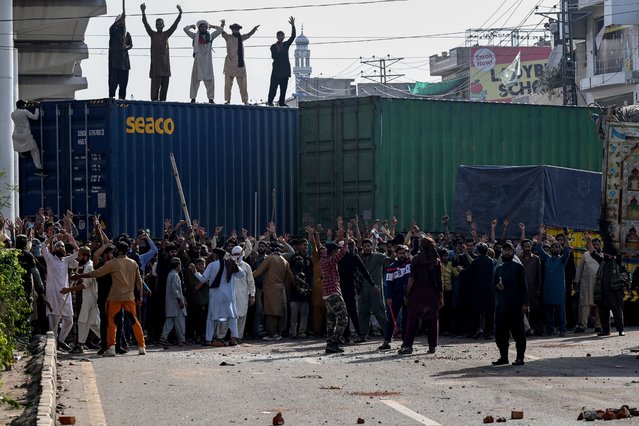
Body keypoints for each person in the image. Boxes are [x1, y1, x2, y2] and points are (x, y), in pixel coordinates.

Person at [72, 241, 146, 356]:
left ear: (120, 251)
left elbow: (97, 273)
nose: (114, 251)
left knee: (112, 323)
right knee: (134, 321)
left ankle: (111, 348)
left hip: (115, 297)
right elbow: (139, 282)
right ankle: (141, 346)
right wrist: (140, 296)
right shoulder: (133, 263)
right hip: (129, 297)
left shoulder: (113, 263)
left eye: (115, 250)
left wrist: (80, 276)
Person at [398, 237, 443, 355]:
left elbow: (411, 279)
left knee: (412, 320)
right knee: (432, 321)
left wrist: (407, 295)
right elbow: (440, 281)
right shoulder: (437, 261)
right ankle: (432, 346)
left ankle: (408, 346)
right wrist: (441, 297)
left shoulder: (416, 259)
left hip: (417, 294)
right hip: (432, 295)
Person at [191, 247, 241, 346]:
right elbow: (241, 275)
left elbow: (203, 279)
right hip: (229, 296)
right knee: (232, 317)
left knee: (211, 318)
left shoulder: (212, 265)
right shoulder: (231, 263)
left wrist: (195, 272)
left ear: (216, 255)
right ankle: (234, 338)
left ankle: (209, 340)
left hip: (216, 295)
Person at [492, 243, 529, 366]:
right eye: (505, 250)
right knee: (500, 333)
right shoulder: (499, 268)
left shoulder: (519, 268)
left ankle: (520, 358)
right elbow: (494, 286)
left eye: (509, 250)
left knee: (518, 332)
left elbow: (524, 287)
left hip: (515, 305)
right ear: (502, 252)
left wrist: (525, 303)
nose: (507, 252)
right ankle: (503, 357)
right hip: (502, 306)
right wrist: (497, 287)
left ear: (513, 252)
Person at [42, 232, 79, 351]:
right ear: (54, 249)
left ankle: (61, 341)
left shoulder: (67, 260)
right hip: (53, 295)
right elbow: (43, 246)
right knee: (53, 323)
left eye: (63, 246)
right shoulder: (50, 259)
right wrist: (52, 237)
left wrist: (72, 242)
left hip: (65, 294)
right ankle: (53, 347)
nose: (61, 248)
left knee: (69, 320)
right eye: (58, 246)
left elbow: (78, 253)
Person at [533, 226, 572, 337]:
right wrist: (541, 234)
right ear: (550, 249)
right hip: (548, 289)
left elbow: (568, 250)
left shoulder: (562, 260)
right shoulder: (547, 258)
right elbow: (539, 248)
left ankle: (562, 330)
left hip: (559, 290)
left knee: (561, 312)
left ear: (559, 249)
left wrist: (566, 236)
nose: (554, 248)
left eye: (556, 247)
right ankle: (550, 330)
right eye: (552, 247)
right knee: (548, 311)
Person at [62, 246, 101, 354]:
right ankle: (109, 340)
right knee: (93, 323)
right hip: (89, 298)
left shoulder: (89, 267)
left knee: (83, 321)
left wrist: (69, 289)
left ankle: (80, 344)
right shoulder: (85, 265)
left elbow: (85, 285)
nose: (78, 258)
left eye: (79, 256)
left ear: (85, 256)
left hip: (88, 298)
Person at [140, 3, 183, 101]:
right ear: (155, 26)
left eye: (160, 24)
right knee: (155, 92)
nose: (159, 25)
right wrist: (143, 12)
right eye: (157, 24)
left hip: (165, 67)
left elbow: (174, 25)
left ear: (164, 25)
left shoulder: (166, 34)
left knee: (164, 92)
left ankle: (162, 106)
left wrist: (180, 14)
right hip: (156, 68)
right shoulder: (152, 34)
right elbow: (145, 24)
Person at [252, 242, 293, 340]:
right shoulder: (285, 261)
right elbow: (290, 277)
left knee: (271, 312)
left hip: (270, 288)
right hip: (281, 288)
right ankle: (279, 333)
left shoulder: (269, 259)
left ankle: (272, 334)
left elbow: (258, 272)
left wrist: (247, 277)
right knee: (279, 311)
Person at [320, 228, 350, 354]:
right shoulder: (330, 260)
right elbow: (341, 253)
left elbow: (331, 248)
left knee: (331, 320)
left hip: (327, 295)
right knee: (343, 318)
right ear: (333, 251)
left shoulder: (323, 259)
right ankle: (334, 342)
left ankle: (329, 343)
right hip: (333, 293)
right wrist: (346, 242)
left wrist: (338, 237)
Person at [378, 245, 410, 351]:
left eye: (404, 253)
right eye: (400, 253)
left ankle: (406, 341)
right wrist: (389, 297)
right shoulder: (391, 267)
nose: (402, 255)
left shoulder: (410, 264)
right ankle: (387, 341)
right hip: (396, 296)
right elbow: (389, 283)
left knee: (406, 319)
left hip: (408, 295)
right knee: (391, 319)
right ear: (396, 254)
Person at [184, 19, 224, 103]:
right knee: (194, 81)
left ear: (206, 28)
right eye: (201, 27)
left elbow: (220, 30)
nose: (203, 28)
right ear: (199, 28)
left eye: (204, 27)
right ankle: (193, 98)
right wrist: (191, 26)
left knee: (210, 81)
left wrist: (212, 26)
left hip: (207, 62)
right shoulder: (195, 36)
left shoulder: (210, 37)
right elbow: (185, 29)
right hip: (198, 62)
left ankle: (211, 99)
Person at [593, 245, 627, 337]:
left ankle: (621, 330)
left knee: (617, 312)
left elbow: (619, 254)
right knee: (603, 313)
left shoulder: (617, 262)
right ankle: (606, 330)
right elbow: (593, 254)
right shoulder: (602, 261)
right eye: (605, 253)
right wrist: (589, 241)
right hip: (602, 293)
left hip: (615, 293)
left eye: (608, 253)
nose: (606, 254)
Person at [222, 22, 260, 105]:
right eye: (235, 29)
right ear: (232, 30)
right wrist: (222, 24)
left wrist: (254, 29)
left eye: (237, 29)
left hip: (240, 64)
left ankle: (245, 101)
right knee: (228, 84)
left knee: (243, 84)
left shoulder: (241, 38)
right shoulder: (228, 37)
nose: (236, 30)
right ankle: (227, 100)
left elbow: (249, 34)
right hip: (230, 64)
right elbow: (221, 31)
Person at [574, 235, 602, 333]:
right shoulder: (585, 254)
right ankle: (582, 326)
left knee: (599, 305)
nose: (595, 246)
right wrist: (576, 281)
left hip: (599, 285)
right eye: (593, 244)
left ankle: (598, 326)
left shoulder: (602, 256)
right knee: (584, 305)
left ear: (600, 245)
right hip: (586, 284)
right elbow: (580, 269)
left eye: (597, 244)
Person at [11, 100, 46, 177]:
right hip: (25, 134)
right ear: (22, 105)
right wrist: (36, 108)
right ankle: (39, 169)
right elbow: (35, 117)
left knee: (22, 146)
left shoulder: (12, 114)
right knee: (35, 151)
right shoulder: (24, 112)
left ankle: (23, 152)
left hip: (17, 135)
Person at [267, 17, 296, 106]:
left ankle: (281, 102)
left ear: (283, 37)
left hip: (285, 71)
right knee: (273, 88)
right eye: (279, 36)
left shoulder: (286, 45)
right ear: (277, 37)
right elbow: (273, 56)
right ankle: (270, 101)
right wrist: (278, 50)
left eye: (282, 36)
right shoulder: (273, 46)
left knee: (283, 89)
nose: (280, 37)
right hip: (276, 71)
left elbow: (293, 36)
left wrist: (293, 26)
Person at [159, 257, 187, 347]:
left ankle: (164, 338)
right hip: (176, 303)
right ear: (178, 265)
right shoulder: (175, 275)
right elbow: (175, 289)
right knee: (179, 322)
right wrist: (180, 300)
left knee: (170, 322)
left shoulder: (171, 274)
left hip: (172, 303)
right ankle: (181, 340)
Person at [231, 246, 255, 341]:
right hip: (231, 295)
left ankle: (239, 336)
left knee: (242, 316)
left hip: (243, 295)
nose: (237, 256)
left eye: (238, 254)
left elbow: (251, 281)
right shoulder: (229, 265)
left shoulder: (246, 266)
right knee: (232, 316)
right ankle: (232, 336)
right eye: (235, 254)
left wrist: (252, 295)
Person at [108, 14, 132, 99]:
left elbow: (131, 45)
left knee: (123, 83)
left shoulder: (126, 33)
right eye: (120, 21)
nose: (122, 22)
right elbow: (111, 28)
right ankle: (111, 97)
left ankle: (122, 98)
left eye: (123, 21)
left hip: (124, 63)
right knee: (113, 82)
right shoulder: (114, 32)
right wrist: (120, 18)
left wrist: (126, 47)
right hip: (115, 62)